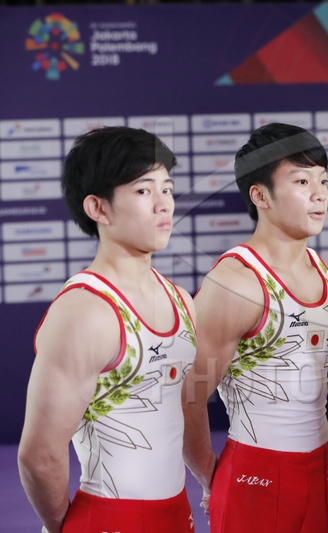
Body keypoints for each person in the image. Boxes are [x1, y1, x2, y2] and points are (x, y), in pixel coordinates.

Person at [18, 126, 197, 533]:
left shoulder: (182, 301)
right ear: (98, 208)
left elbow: (183, 410)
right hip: (107, 517)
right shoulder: (85, 313)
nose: (163, 204)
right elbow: (39, 455)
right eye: (143, 190)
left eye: (167, 189)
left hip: (177, 514)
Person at [181, 123, 328, 533]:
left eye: (323, 180)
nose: (319, 193)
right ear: (260, 196)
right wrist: (210, 475)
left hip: (321, 468)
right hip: (253, 473)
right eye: (302, 181)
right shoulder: (234, 284)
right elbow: (187, 396)